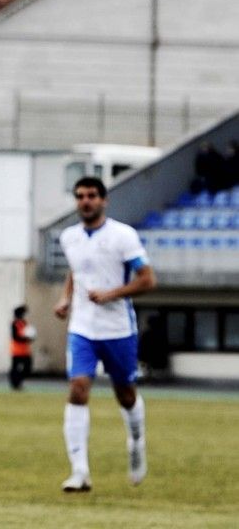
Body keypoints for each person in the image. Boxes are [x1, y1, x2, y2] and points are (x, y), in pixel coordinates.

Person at [53, 176, 157, 492]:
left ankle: (136, 442)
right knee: (78, 389)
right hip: (83, 328)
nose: (86, 201)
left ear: (103, 200)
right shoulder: (69, 237)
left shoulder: (123, 236)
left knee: (125, 394)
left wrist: (112, 294)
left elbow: (148, 279)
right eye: (80, 196)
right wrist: (65, 298)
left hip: (118, 329)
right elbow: (77, 270)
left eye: (92, 196)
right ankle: (80, 472)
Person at [8, 305, 34, 390]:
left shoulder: (24, 323)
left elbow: (28, 335)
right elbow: (15, 337)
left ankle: (18, 380)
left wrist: (31, 337)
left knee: (27, 368)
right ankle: (15, 384)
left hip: (25, 350)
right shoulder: (14, 324)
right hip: (16, 350)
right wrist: (25, 338)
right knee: (15, 368)